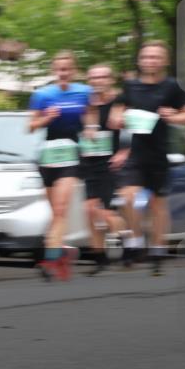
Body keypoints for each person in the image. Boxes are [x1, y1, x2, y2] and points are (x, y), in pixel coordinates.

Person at [109, 41, 185, 276]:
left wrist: (174, 116)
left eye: (156, 57)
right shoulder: (130, 86)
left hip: (158, 154)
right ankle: (137, 239)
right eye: (146, 57)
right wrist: (119, 118)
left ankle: (158, 250)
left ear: (165, 61)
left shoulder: (173, 86)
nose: (150, 61)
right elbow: (116, 111)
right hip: (134, 153)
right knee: (127, 198)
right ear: (140, 61)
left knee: (158, 205)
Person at [28, 50, 92, 281]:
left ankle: (50, 258)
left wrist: (89, 128)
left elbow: (92, 116)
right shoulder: (42, 95)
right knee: (56, 212)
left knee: (62, 208)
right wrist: (46, 118)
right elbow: (30, 126)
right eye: (59, 70)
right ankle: (62, 252)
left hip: (71, 155)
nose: (63, 73)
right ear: (53, 71)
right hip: (48, 156)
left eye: (67, 69)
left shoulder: (84, 92)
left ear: (73, 71)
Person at [80, 64, 128, 275]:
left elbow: (132, 130)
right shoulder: (86, 103)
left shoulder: (119, 102)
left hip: (111, 163)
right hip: (90, 162)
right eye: (93, 77)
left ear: (111, 79)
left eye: (102, 77)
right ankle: (100, 259)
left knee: (105, 211)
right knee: (89, 211)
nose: (97, 80)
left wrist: (124, 151)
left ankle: (126, 236)